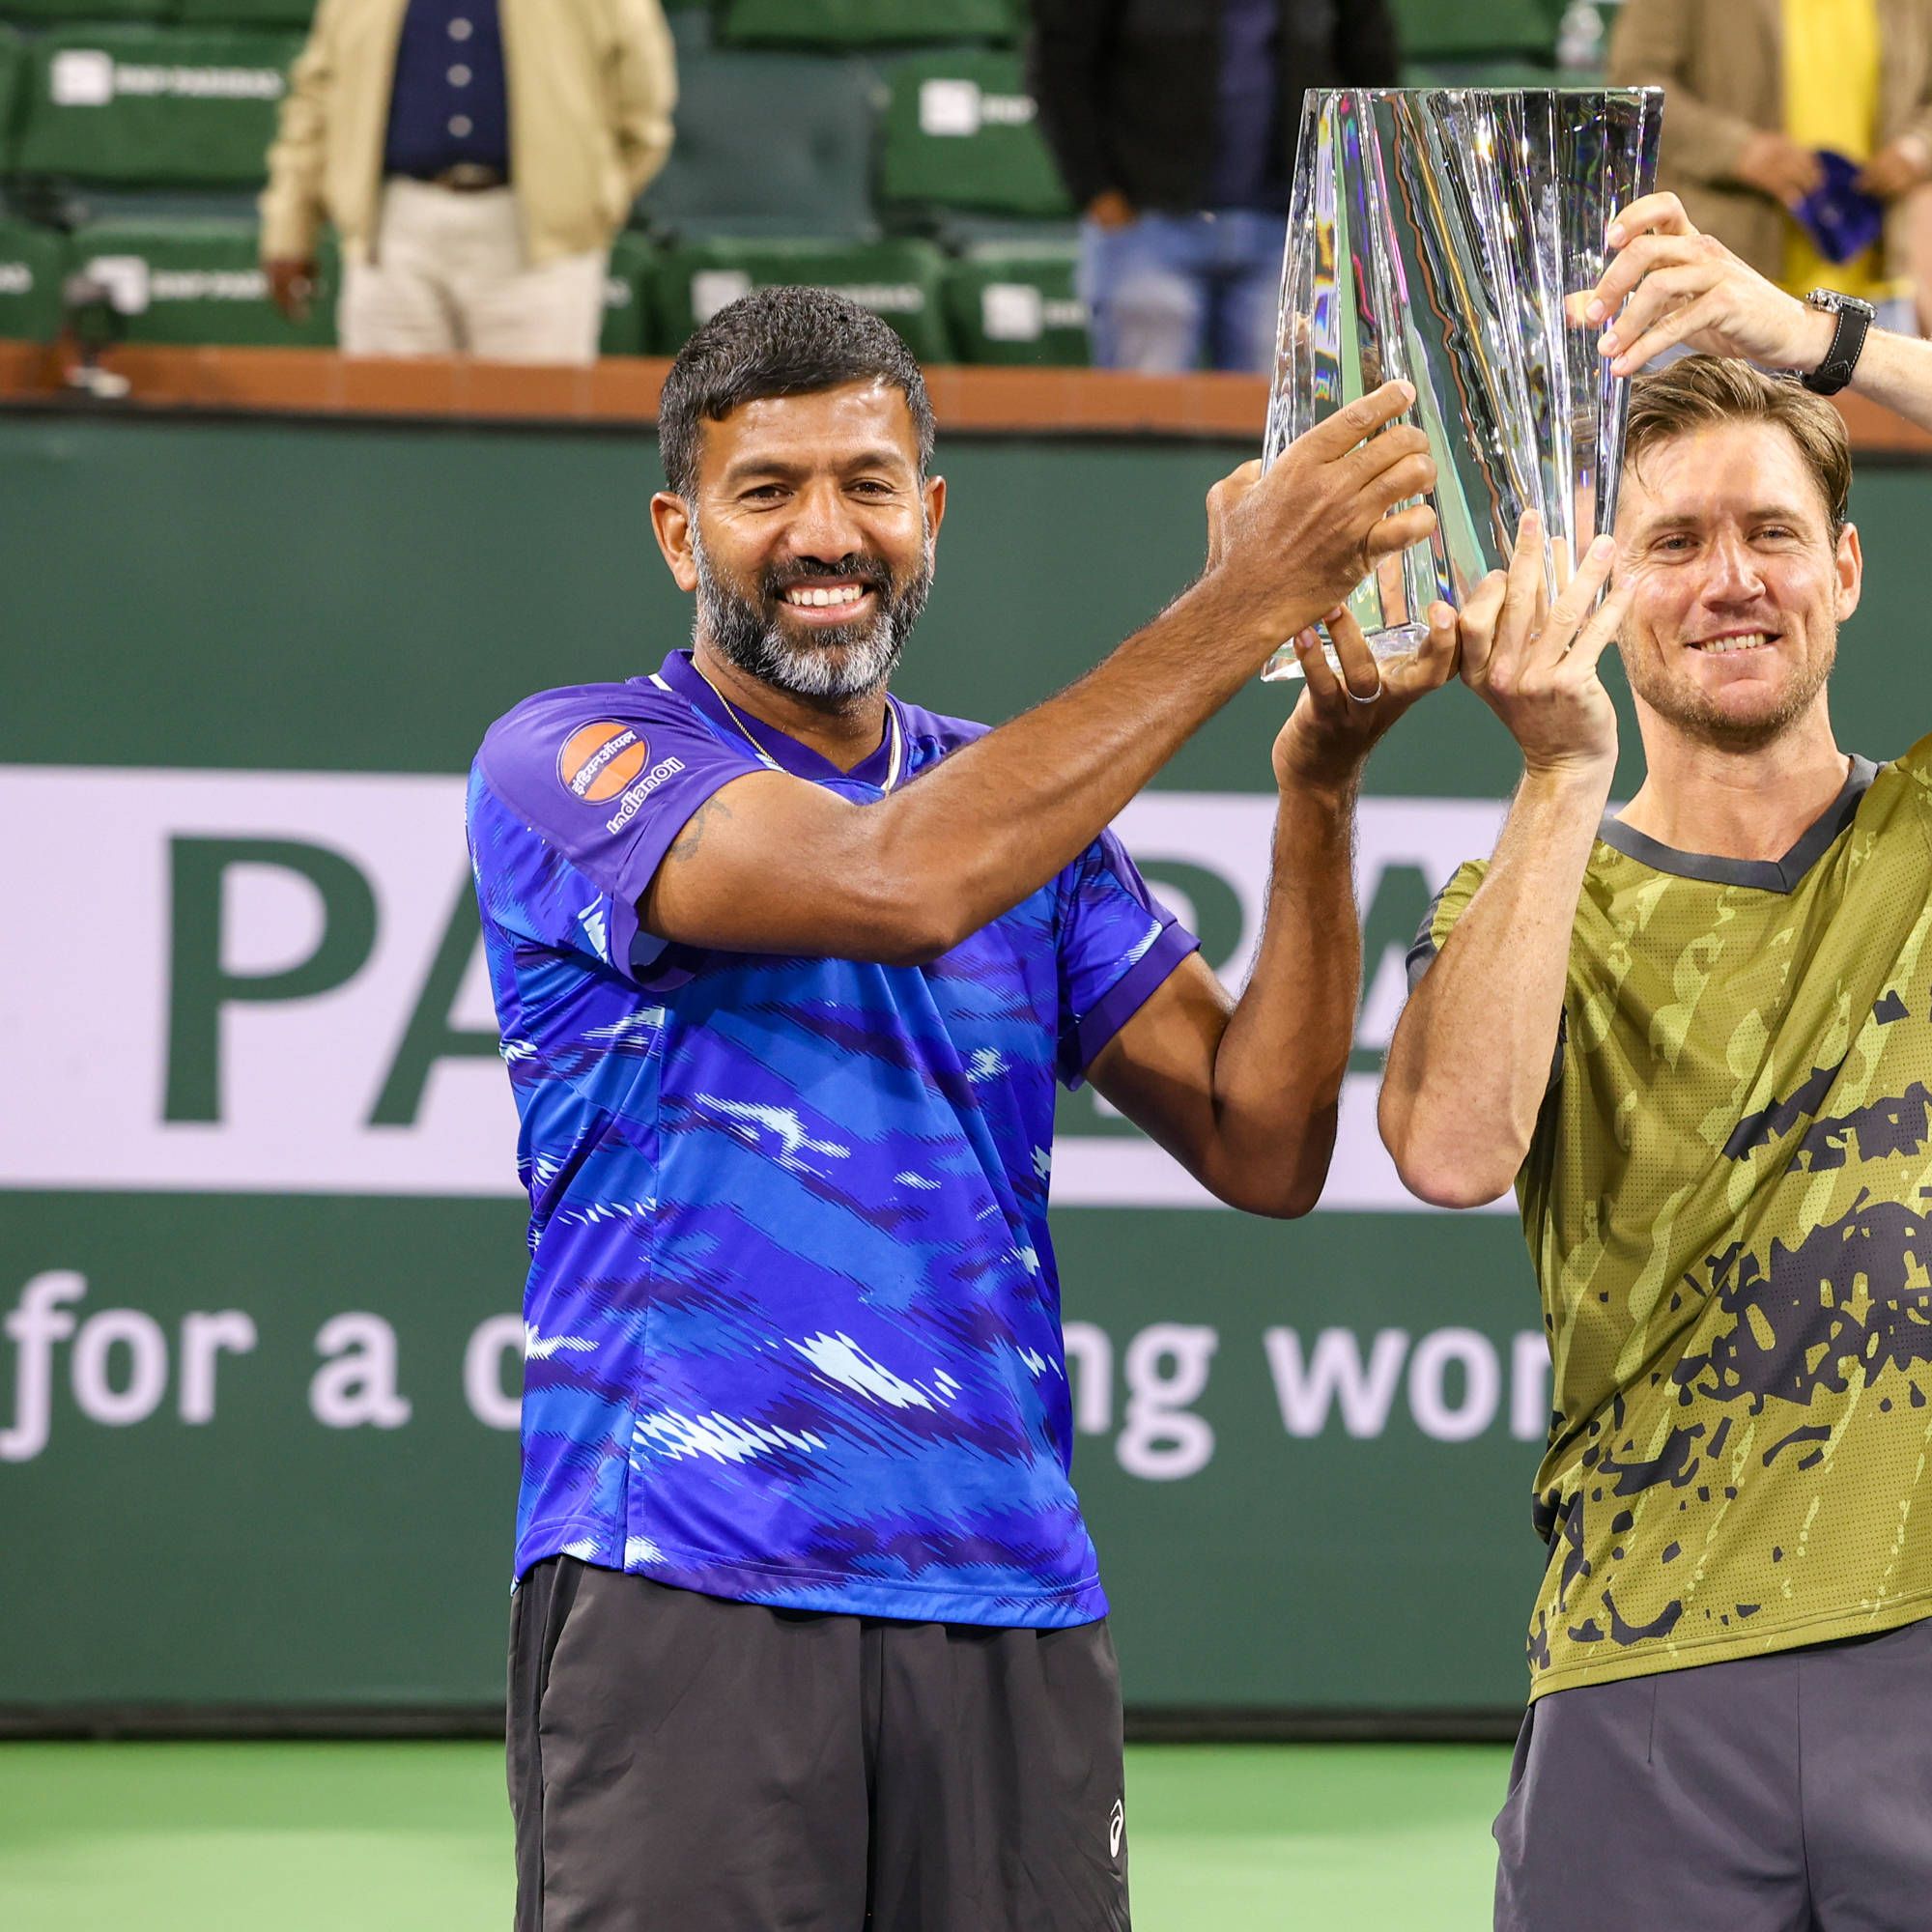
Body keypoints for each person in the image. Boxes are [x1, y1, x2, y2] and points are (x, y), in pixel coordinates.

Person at [470, 287, 1447, 1929]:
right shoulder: (570, 759)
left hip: (1009, 1596)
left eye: (865, 483)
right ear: (678, 531)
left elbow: (1263, 1139)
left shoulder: (1018, 806)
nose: (821, 534)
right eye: (764, 490)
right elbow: (896, 879)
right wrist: (1239, 602)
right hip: (687, 1583)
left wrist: (1320, 790)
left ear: (930, 516)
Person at [1378, 198, 1932, 1931]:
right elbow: (1452, 1147)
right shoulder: (1533, 889)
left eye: (1770, 530)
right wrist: (1554, 776)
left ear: (1845, 566)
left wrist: (1819, 338)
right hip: (1641, 1680)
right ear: (1607, 580)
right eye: (1672, 543)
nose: (1729, 579)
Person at [261, 0, 674, 364]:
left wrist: (590, 202)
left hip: (537, 238)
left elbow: (642, 107)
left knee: (536, 432)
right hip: (392, 229)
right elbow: (316, 99)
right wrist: (290, 224)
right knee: (387, 432)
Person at [1030, 0, 1398, 374]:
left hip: (1290, 231)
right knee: (1145, 417)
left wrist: (1342, 195)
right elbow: (1059, 65)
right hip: (1146, 227)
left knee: (1283, 418)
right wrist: (1095, 191)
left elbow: (1371, 71)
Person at [1609, 0, 1932, 339]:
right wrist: (1739, 152)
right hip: (1719, 289)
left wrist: (1921, 150)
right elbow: (1635, 81)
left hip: (1875, 294)